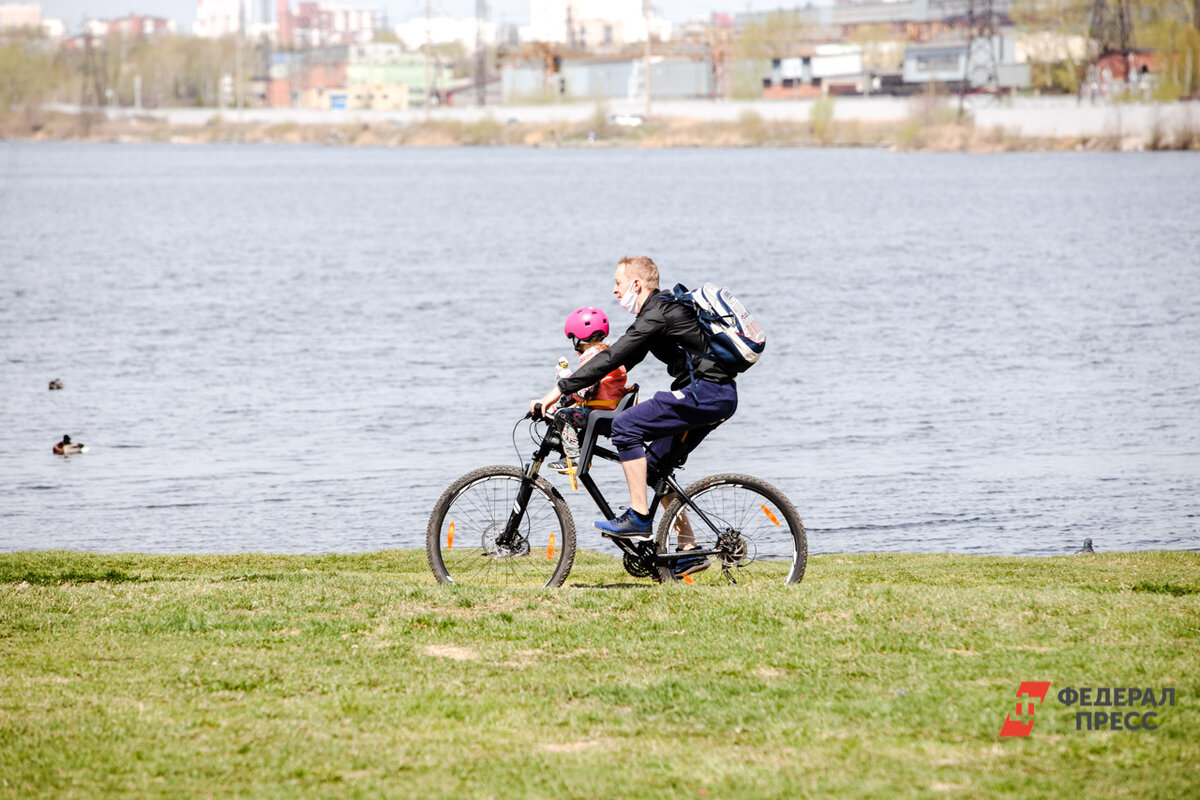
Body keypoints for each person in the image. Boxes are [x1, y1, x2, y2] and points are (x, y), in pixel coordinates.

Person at [531, 256, 738, 544]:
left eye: (618, 283)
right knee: (653, 466)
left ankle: (639, 517)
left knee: (626, 427)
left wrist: (558, 390)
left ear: (637, 284)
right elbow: (621, 362)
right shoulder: (657, 313)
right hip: (713, 394)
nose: (614, 290)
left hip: (705, 393)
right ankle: (687, 546)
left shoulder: (657, 314)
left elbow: (612, 356)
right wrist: (584, 390)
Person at [546, 306, 628, 473]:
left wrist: (558, 406)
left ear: (579, 339)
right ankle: (581, 454)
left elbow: (584, 390)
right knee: (576, 412)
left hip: (603, 416)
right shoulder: (606, 354)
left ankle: (574, 459)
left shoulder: (593, 360)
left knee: (563, 415)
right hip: (612, 410)